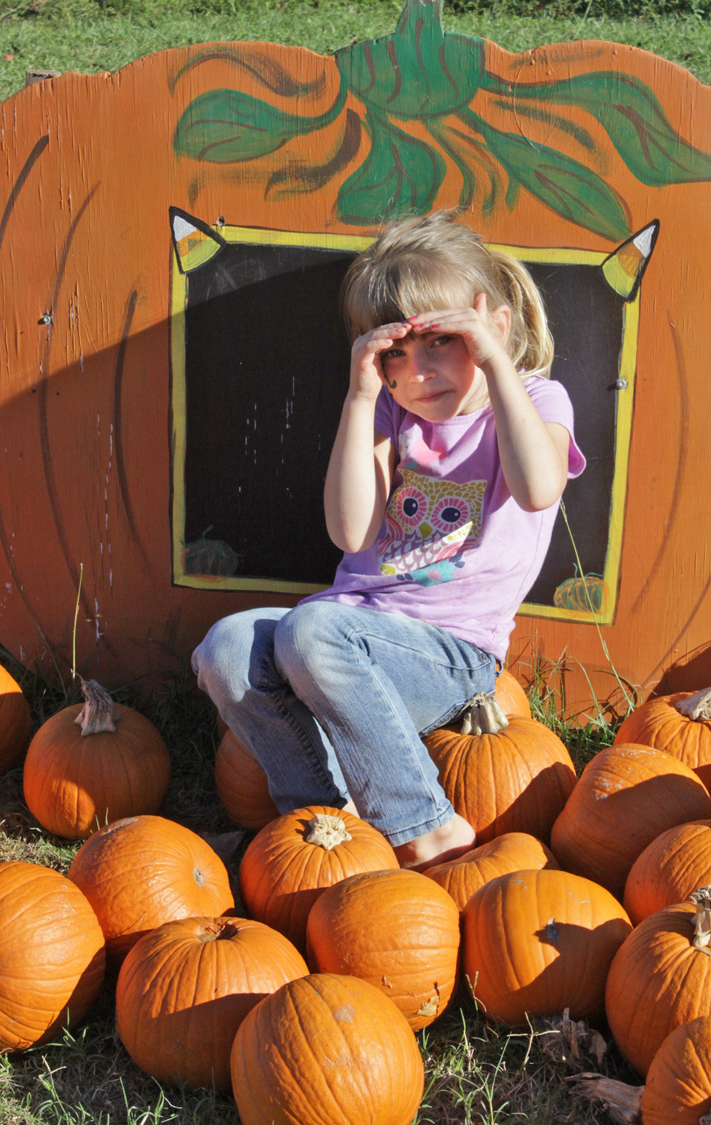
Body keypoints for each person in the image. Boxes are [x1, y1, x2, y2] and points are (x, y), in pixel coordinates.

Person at [192, 210, 585, 869]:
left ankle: (427, 826)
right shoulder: (385, 410)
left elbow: (540, 486)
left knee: (313, 629)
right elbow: (349, 530)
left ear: (493, 326)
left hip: (450, 656)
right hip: (341, 639)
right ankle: (328, 823)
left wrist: (492, 360)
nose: (418, 370)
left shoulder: (537, 399)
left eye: (439, 342)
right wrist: (359, 394)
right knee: (225, 648)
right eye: (395, 352)